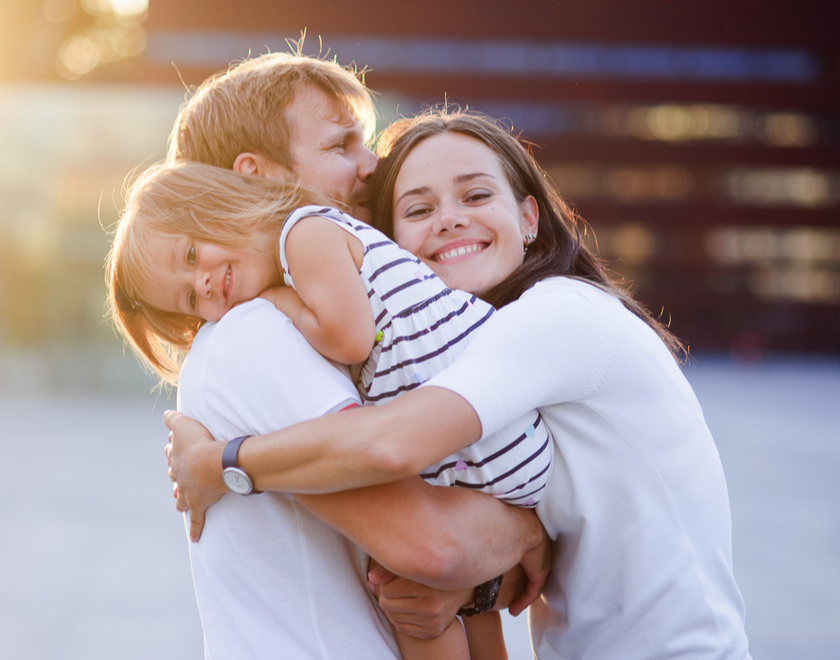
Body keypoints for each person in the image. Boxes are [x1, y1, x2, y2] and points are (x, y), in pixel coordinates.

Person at [166, 110, 753, 660]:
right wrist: (477, 585)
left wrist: (219, 466)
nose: (449, 219)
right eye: (418, 211)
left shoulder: (558, 315)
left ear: (528, 217)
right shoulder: (468, 342)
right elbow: (530, 534)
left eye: (475, 195)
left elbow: (393, 446)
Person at [112, 50, 552, 659]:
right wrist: (527, 530)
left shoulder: (312, 289)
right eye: (343, 145)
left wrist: (511, 546)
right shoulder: (259, 331)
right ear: (260, 174)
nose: (371, 166)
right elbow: (432, 546)